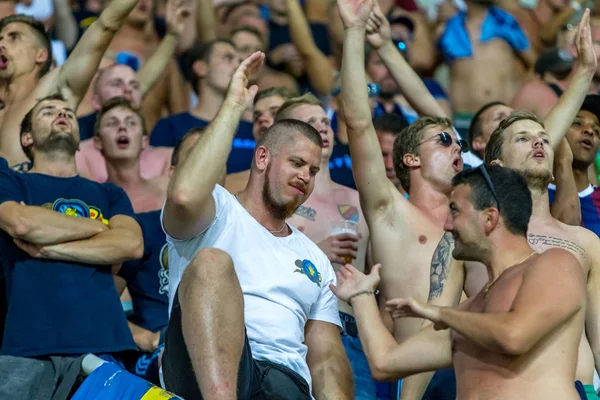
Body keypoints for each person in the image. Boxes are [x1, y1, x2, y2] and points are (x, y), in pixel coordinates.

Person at [160, 51, 353, 399]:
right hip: (199, 367)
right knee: (212, 261)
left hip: (283, 383)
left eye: (313, 171)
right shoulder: (216, 209)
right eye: (296, 163)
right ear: (262, 157)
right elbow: (184, 196)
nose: (305, 177)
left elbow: (326, 358)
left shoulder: (316, 259)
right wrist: (234, 105)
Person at [330, 165, 587, 400]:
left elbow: (514, 335)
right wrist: (361, 295)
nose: (446, 225)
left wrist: (441, 313)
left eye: (455, 211)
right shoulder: (468, 314)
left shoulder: (555, 263)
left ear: (490, 218)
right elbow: (384, 363)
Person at [0, 93, 144, 399]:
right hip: (25, 348)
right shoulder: (10, 181)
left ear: (80, 140)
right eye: (48, 112)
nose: (61, 114)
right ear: (27, 137)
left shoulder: (109, 194)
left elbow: (130, 244)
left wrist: (51, 247)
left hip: (103, 343)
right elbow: (22, 224)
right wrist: (99, 229)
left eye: (67, 112)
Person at [278, 93, 372, 398]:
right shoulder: (280, 200)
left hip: (353, 331)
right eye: (310, 123)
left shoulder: (359, 200)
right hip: (296, 327)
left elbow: (376, 270)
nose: (323, 128)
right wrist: (317, 251)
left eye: (324, 121)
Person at [0, 0, 143, 169]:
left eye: (14, 38)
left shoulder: (52, 91)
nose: (1, 44)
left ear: (41, 55)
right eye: (0, 38)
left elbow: (105, 25)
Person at [150, 39, 256, 174]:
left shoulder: (253, 130)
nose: (238, 66)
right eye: (228, 58)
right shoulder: (170, 127)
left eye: (239, 61)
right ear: (201, 68)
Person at [436, 0, 535, 137]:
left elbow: (535, 64)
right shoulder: (450, 28)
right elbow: (424, 63)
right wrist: (436, 23)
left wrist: (521, 95)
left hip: (504, 119)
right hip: (462, 121)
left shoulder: (506, 23)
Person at [93, 97, 167, 213]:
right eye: (112, 123)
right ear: (98, 142)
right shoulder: (92, 200)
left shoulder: (166, 192)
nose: (122, 127)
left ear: (145, 141)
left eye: (131, 123)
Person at [225, 86, 297, 194]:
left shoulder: (312, 184)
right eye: (257, 116)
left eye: (274, 113)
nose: (262, 119)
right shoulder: (229, 184)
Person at [549, 94, 600, 236]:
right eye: (577, 123)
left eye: (596, 131)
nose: (589, 131)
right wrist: (564, 159)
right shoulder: (533, 192)